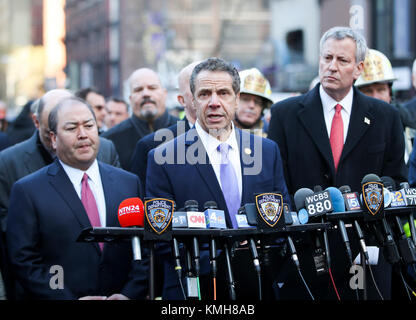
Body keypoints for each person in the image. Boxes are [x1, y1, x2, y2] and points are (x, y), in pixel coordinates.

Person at [267, 26, 407, 300]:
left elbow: (397, 180)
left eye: (342, 61)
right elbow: (277, 183)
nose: (331, 66)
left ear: (358, 68)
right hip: (306, 251)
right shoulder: (284, 114)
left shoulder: (386, 117)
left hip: (367, 250)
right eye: (326, 58)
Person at [146, 57, 291, 299]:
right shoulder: (164, 158)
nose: (214, 102)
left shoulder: (266, 151)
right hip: (199, 290)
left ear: (236, 98)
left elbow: (281, 218)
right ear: (192, 100)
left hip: (257, 287)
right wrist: (222, 259)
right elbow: (162, 240)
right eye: (205, 94)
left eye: (223, 93)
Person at [6, 97, 147, 300]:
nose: (83, 135)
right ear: (53, 139)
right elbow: (24, 261)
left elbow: (144, 248)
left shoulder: (129, 183)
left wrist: (129, 294)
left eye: (89, 126)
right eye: (72, 128)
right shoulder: (28, 191)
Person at [129, 61, 200, 190]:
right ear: (181, 99)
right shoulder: (150, 146)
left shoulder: (242, 141)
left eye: (221, 92)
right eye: (197, 88)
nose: (212, 99)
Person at [102, 68, 178, 170]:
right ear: (130, 98)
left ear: (164, 94)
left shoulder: (185, 131)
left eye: (152, 88)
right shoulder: (110, 140)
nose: (146, 94)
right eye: (138, 90)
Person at [355, 49, 416, 161]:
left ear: (390, 93)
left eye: (380, 89)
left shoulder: (408, 125)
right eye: (368, 91)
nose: (375, 97)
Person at [234, 68, 273, 137]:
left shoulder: (271, 137)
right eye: (245, 99)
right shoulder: (217, 134)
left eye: (257, 102)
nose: (252, 106)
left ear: (263, 108)